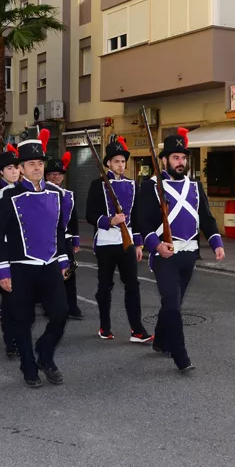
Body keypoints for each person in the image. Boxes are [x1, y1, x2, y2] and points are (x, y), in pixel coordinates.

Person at [137, 128, 225, 373]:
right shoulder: (151, 186)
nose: (180, 162)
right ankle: (181, 355)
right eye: (175, 158)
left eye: (183, 158)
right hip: (165, 254)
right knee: (173, 304)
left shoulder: (195, 186)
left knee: (173, 303)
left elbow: (206, 217)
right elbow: (142, 221)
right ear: (164, 159)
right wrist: (155, 245)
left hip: (189, 254)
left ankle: (161, 340)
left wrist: (217, 242)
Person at [0, 130, 71, 388]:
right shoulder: (9, 197)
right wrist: (2, 270)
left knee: (60, 314)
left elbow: (60, 231)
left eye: (40, 163)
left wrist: (64, 259)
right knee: (23, 320)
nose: (37, 168)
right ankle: (28, 366)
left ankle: (45, 354)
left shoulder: (56, 195)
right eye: (31, 164)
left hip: (49, 266)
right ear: (21, 169)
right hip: (20, 267)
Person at [86, 137, 152, 342]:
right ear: (108, 163)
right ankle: (104, 327)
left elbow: (138, 216)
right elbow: (90, 215)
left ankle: (137, 329)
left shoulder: (133, 184)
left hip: (128, 242)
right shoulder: (97, 185)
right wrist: (109, 220)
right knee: (105, 286)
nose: (120, 165)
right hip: (106, 242)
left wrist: (139, 243)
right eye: (116, 161)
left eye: (123, 161)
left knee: (132, 284)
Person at [0, 144, 21, 358]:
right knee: (9, 299)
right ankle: (10, 340)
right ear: (1, 172)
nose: (14, 171)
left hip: (23, 252)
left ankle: (20, 337)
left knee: (23, 299)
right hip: (6, 252)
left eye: (16, 167)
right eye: (9, 168)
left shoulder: (27, 190)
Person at [45, 152, 84, 321]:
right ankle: (50, 306)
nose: (56, 177)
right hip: (48, 239)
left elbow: (73, 218)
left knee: (69, 273)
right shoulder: (43, 192)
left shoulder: (68, 194)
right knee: (50, 274)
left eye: (59, 174)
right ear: (47, 176)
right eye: (53, 174)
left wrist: (75, 238)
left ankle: (72, 306)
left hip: (65, 238)